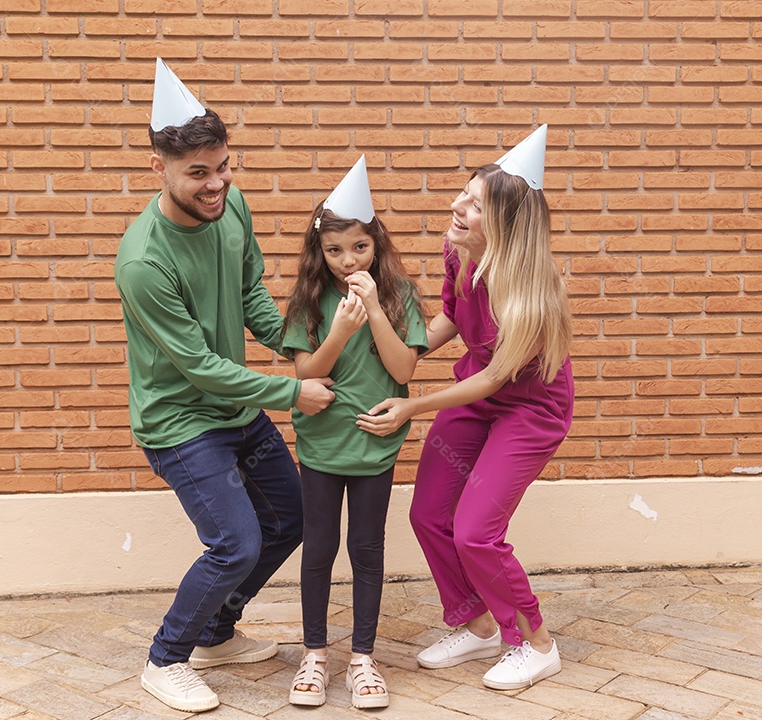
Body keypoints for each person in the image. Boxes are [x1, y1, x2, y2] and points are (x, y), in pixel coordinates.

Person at [114, 59, 335, 713]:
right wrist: (293, 392)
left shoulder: (231, 206)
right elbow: (199, 365)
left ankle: (215, 634)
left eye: (223, 167)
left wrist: (301, 346)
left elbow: (250, 297)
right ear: (158, 167)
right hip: (181, 421)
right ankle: (166, 659)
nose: (216, 184)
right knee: (235, 542)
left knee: (290, 519)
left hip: (236, 408)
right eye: (198, 173)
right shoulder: (144, 261)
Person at [357, 126, 574, 690]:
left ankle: (535, 643)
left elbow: (496, 375)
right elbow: (453, 318)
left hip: (529, 411)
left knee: (476, 532)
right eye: (464, 193)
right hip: (476, 397)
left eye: (475, 205)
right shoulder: (460, 252)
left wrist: (414, 405)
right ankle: (477, 625)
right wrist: (405, 349)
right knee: (429, 515)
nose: (458, 206)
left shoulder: (532, 288)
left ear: (504, 225)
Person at [280, 157, 427, 709]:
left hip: (375, 445)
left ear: (376, 244)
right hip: (321, 444)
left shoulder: (400, 294)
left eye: (360, 247)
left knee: (366, 548)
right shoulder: (308, 300)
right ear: (319, 251)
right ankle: (315, 655)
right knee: (318, 548)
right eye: (335, 250)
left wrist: (373, 309)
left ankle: (363, 658)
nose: (348, 260)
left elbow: (404, 368)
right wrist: (340, 329)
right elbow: (306, 372)